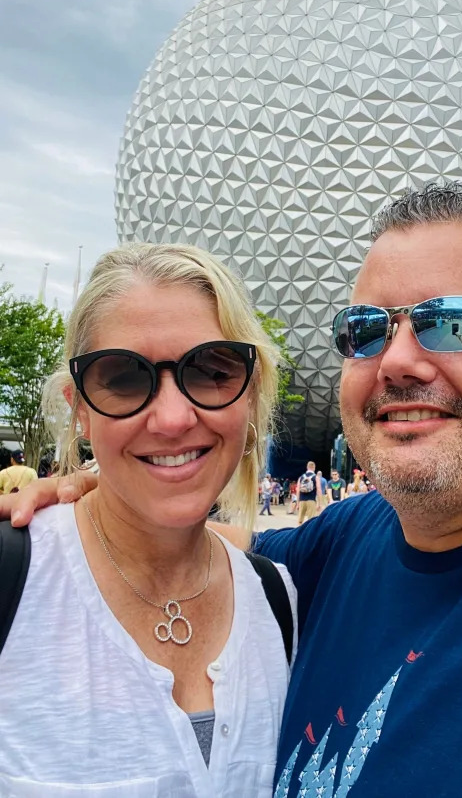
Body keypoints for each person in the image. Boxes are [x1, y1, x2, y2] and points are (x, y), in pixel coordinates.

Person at [8, 182, 462, 796]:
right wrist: (104, 481)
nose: (397, 360)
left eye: (455, 324)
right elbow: (196, 543)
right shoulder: (337, 552)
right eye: (366, 331)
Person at [0, 242, 296, 796]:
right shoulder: (13, 578)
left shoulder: (283, 602)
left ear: (251, 395)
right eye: (125, 378)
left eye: (212, 370)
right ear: (80, 407)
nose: (172, 418)